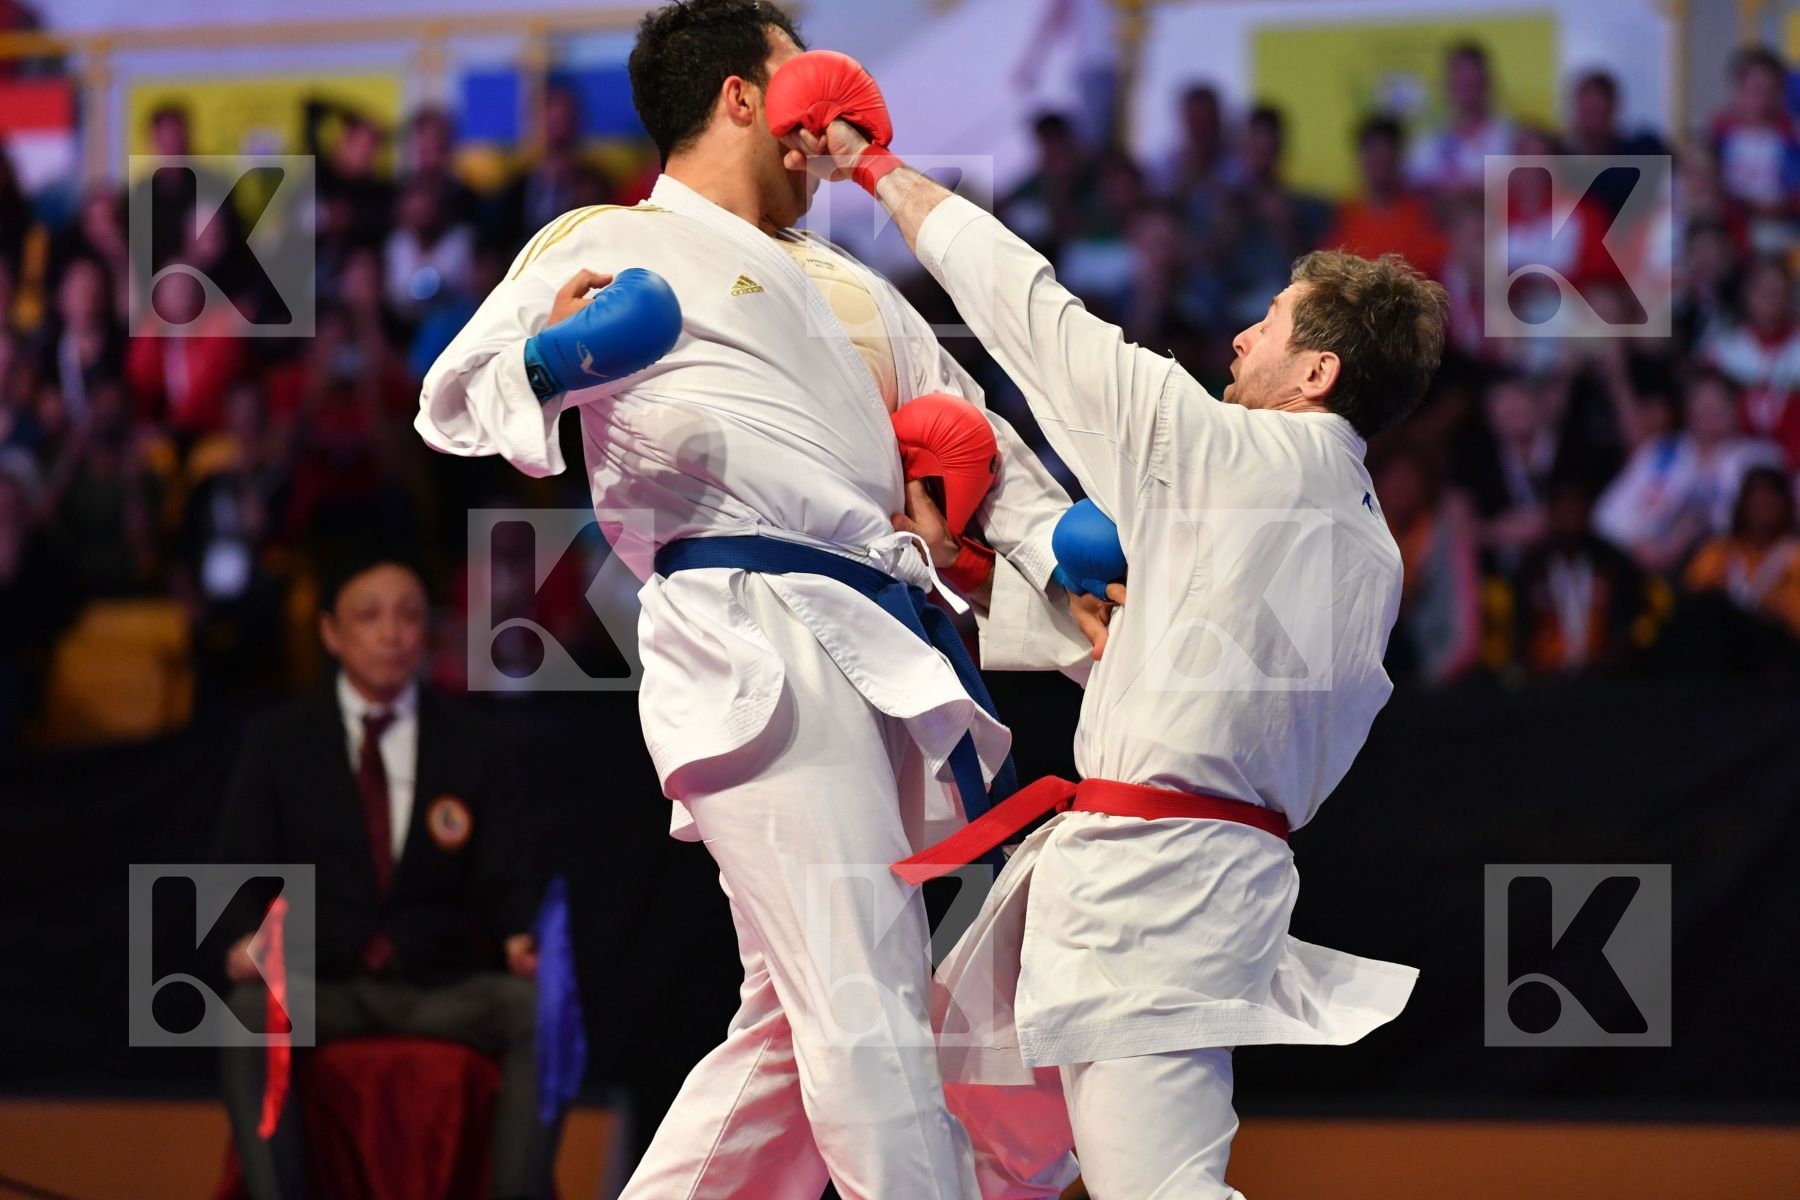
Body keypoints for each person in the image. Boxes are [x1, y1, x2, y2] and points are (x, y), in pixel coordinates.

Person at [416, 3, 1077, 1195]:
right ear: (739, 96)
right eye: (796, 83)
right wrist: (551, 360)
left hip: (883, 642)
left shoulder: (852, 289)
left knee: (791, 1030)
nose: (824, 122)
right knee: (866, 1012)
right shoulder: (615, 240)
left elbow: (985, 444)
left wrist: (1073, 558)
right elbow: (452, 396)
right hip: (747, 632)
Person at [773, 51, 1443, 1198]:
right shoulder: (1369, 546)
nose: (1240, 340)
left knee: (1157, 1190)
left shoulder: (1229, 454)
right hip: (1166, 875)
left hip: (1154, 888)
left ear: (1317, 370)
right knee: (959, 1151)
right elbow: (1189, 680)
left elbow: (1035, 315)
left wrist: (875, 168)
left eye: (1271, 325)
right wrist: (1003, 577)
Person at [213, 552, 552, 1200]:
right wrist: (241, 942)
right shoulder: (279, 741)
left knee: (535, 1011)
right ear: (331, 633)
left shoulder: (472, 744)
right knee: (244, 1012)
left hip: (436, 988)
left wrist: (518, 937)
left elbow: (505, 877)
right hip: (323, 987)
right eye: (370, 616)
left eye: (409, 616)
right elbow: (237, 870)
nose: (392, 633)